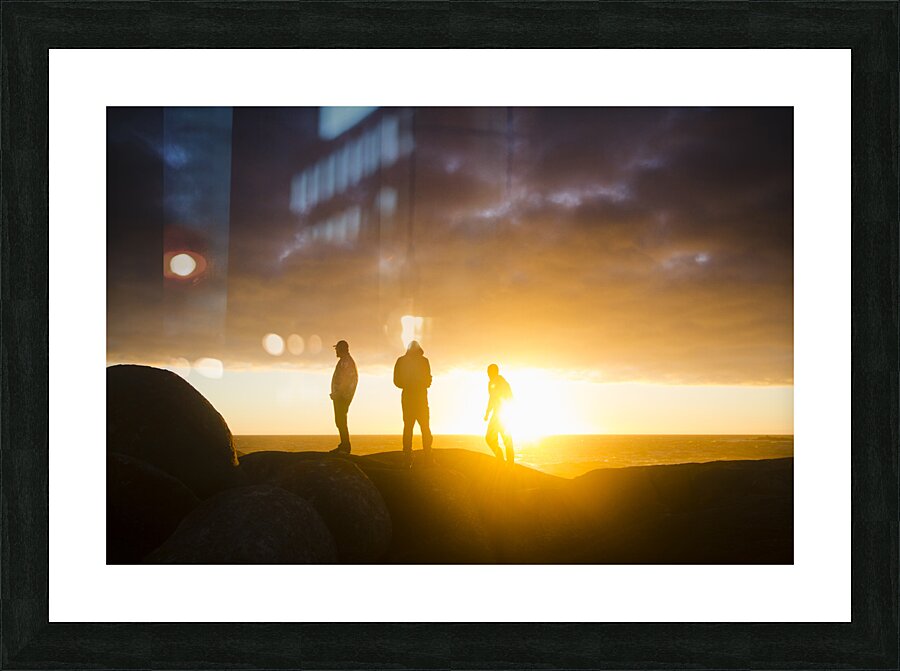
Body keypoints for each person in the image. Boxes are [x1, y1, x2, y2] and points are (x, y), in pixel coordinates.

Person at [393, 340, 433, 467]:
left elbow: (396, 381)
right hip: (419, 397)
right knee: (423, 428)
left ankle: (408, 456)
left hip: (409, 397)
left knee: (409, 427)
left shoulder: (402, 360)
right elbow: (428, 380)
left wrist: (408, 385)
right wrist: (420, 384)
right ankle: (427, 456)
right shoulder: (423, 361)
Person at [329, 340, 358, 454]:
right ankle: (344, 444)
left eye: (337, 349)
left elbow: (346, 381)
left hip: (342, 396)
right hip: (341, 395)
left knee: (341, 420)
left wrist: (338, 393)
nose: (336, 351)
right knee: (340, 420)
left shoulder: (346, 362)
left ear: (342, 349)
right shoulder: (344, 361)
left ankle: (345, 446)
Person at [484, 363, 514, 465]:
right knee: (489, 438)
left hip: (503, 415)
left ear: (495, 372)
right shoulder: (490, 383)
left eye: (489, 372)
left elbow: (510, 397)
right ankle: (500, 456)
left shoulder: (503, 383)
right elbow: (491, 399)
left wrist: (508, 412)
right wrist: (487, 412)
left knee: (507, 440)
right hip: (496, 415)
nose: (488, 374)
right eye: (487, 372)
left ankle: (510, 464)